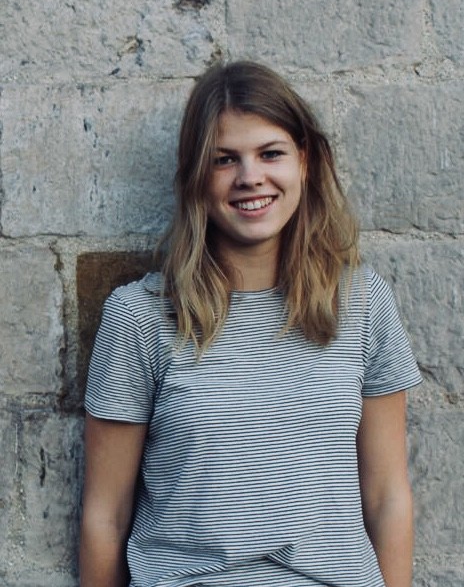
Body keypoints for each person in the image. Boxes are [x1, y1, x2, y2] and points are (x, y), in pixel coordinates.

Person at [79, 61, 422, 587]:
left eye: (270, 153)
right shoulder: (140, 317)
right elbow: (106, 516)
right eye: (224, 159)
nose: (250, 177)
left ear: (305, 161)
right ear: (197, 176)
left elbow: (387, 497)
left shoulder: (361, 302)